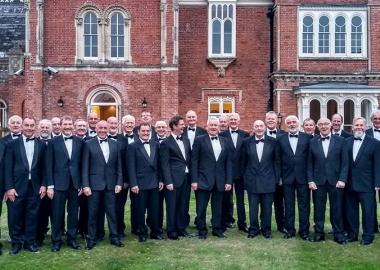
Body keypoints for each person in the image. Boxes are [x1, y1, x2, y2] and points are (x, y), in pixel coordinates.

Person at [5, 117, 47, 255]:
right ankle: (16, 244)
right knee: (14, 216)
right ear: (22, 127)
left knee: (32, 216)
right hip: (16, 187)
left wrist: (44, 185)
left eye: (32, 125)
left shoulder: (41, 145)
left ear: (35, 127)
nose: (29, 128)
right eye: (27, 125)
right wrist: (9, 187)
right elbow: (8, 168)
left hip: (35, 187)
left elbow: (44, 167)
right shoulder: (12, 144)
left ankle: (30, 243)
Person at [81, 120, 123, 249]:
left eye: (105, 127)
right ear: (96, 129)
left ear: (109, 128)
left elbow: (119, 165)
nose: (103, 130)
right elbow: (85, 166)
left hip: (110, 185)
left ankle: (114, 237)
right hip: (94, 185)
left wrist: (119, 182)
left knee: (112, 212)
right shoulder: (88, 144)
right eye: (101, 128)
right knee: (92, 213)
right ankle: (91, 238)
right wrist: (86, 185)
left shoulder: (115, 144)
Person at [307, 118, 348, 244]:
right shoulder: (313, 141)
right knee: (319, 209)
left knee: (337, 208)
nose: (323, 126)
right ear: (318, 127)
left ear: (331, 125)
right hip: (318, 182)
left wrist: (342, 179)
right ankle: (319, 233)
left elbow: (345, 163)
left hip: (336, 181)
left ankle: (338, 233)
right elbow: (309, 163)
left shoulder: (341, 141)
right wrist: (310, 180)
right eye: (321, 124)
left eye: (326, 124)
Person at [46, 116, 83, 252]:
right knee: (57, 213)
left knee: (73, 213)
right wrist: (50, 185)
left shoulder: (80, 142)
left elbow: (82, 165)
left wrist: (81, 184)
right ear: (60, 126)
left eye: (69, 124)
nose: (67, 126)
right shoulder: (52, 142)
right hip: (58, 184)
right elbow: (48, 165)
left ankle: (71, 239)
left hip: (74, 184)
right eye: (65, 124)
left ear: (73, 126)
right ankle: (56, 240)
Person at [191, 117, 232, 239]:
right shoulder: (199, 140)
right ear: (207, 127)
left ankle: (217, 229)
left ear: (219, 127)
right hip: (203, 180)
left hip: (220, 181)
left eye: (216, 125)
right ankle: (202, 230)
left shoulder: (225, 141)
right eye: (211, 125)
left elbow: (228, 163)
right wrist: (194, 180)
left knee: (217, 207)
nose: (214, 127)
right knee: (201, 207)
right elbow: (194, 161)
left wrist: (229, 181)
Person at [241, 120, 280, 239]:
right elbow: (243, 162)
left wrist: (276, 179)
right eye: (256, 126)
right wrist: (245, 178)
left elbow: (277, 162)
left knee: (267, 208)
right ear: (253, 128)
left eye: (261, 126)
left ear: (264, 127)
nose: (259, 128)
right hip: (252, 180)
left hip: (268, 180)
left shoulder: (273, 142)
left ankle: (266, 229)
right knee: (253, 207)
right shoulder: (246, 142)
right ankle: (253, 229)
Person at [345, 117, 380, 245]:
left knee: (368, 212)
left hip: (367, 184)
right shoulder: (347, 142)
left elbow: (377, 165)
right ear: (352, 127)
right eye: (356, 125)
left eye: (361, 125)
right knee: (351, 211)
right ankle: (352, 234)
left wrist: (377, 183)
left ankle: (368, 236)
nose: (359, 127)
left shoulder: (374, 143)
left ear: (365, 127)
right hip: (350, 183)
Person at [277, 115, 312, 240]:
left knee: (304, 205)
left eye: (294, 122)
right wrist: (280, 177)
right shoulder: (280, 139)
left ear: (298, 123)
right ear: (286, 125)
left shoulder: (308, 138)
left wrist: (310, 178)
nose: (292, 124)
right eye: (289, 123)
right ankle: (290, 230)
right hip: (287, 178)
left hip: (303, 178)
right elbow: (278, 160)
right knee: (289, 205)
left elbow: (310, 160)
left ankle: (304, 231)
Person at [128, 123, 163, 242]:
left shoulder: (156, 145)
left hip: (154, 183)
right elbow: (131, 167)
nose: (146, 133)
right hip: (140, 184)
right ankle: (142, 232)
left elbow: (159, 165)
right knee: (140, 210)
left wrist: (161, 180)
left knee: (154, 209)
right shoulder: (132, 146)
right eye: (143, 131)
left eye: (147, 131)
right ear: (138, 132)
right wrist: (133, 183)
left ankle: (155, 232)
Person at [160, 116, 191, 240]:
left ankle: (181, 228)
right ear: (174, 126)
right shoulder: (165, 143)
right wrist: (168, 181)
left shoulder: (186, 140)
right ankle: (171, 231)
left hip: (186, 178)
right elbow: (164, 164)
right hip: (172, 180)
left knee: (183, 205)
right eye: (181, 124)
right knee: (172, 206)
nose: (184, 126)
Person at [219, 113, 249, 232]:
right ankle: (225, 222)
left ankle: (242, 224)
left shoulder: (245, 134)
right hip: (227, 173)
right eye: (231, 119)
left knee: (241, 200)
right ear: (228, 121)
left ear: (239, 120)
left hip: (241, 173)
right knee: (226, 199)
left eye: (235, 119)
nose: (233, 121)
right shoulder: (222, 135)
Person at [0, 115, 23, 255]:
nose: (15, 125)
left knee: (15, 214)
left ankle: (18, 239)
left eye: (17, 123)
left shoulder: (25, 140)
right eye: (13, 123)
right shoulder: (2, 141)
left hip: (18, 183)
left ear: (21, 125)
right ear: (9, 125)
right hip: (2, 183)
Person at [183, 110, 207, 227]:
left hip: (200, 168)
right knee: (185, 196)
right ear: (186, 119)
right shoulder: (181, 132)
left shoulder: (203, 131)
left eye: (193, 117)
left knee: (200, 197)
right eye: (189, 117)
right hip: (185, 168)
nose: (191, 119)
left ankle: (199, 220)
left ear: (196, 118)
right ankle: (184, 219)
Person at [265, 111, 286, 233]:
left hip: (279, 174)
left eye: (273, 119)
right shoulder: (259, 134)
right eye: (269, 119)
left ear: (277, 120)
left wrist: (282, 176)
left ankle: (281, 225)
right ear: (265, 120)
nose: (271, 120)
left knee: (279, 202)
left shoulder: (284, 135)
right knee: (265, 202)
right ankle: (265, 225)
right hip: (265, 175)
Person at [366, 110, 380, 232]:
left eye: (379, 119)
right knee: (371, 202)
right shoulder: (366, 133)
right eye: (375, 118)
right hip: (370, 173)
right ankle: (373, 226)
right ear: (371, 120)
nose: (377, 121)